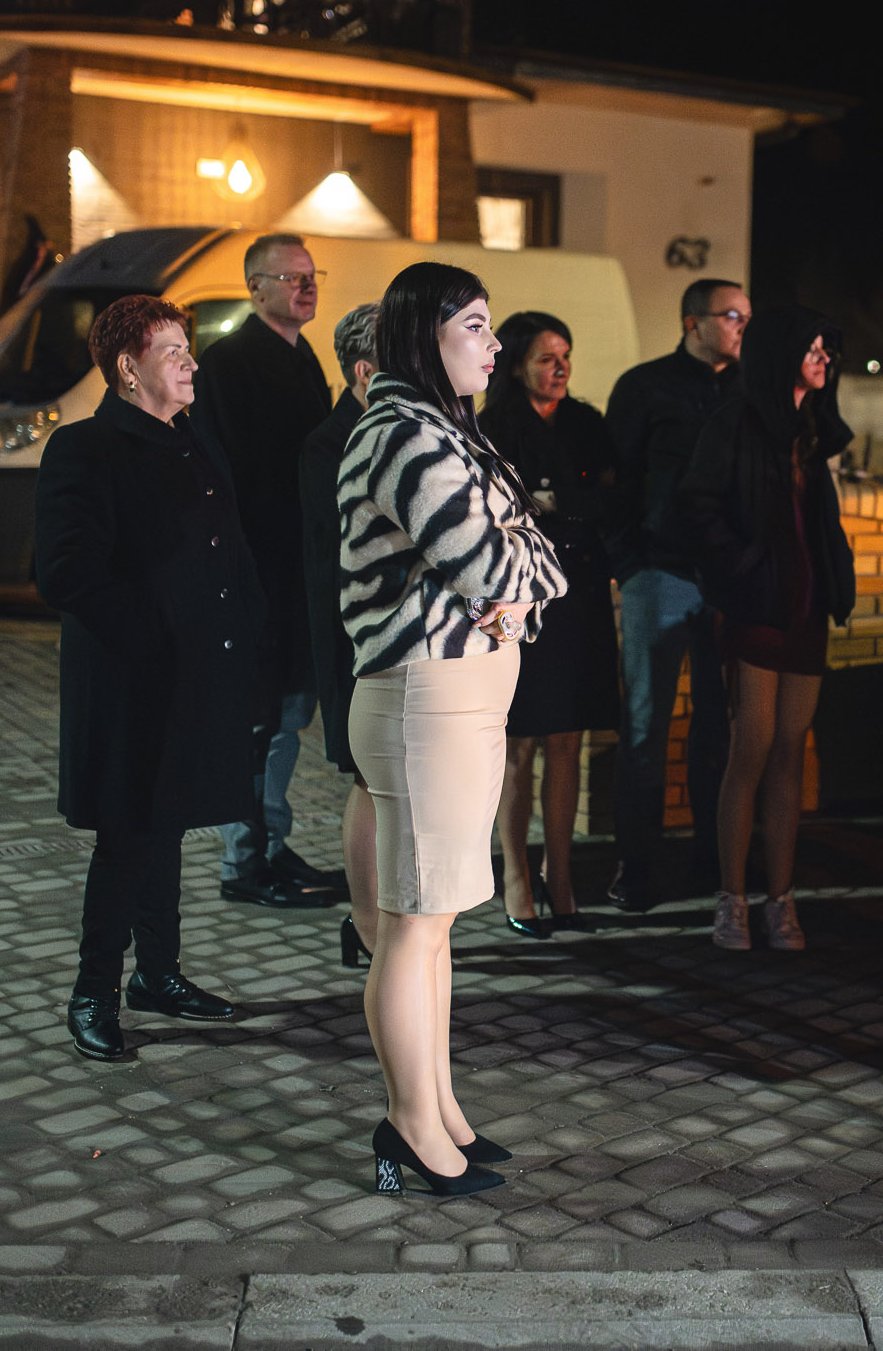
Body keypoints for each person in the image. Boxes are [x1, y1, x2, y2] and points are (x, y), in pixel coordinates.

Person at [337, 261, 565, 1196]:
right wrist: (514, 578)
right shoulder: (404, 433)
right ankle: (408, 1124)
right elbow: (489, 564)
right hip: (425, 700)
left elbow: (536, 548)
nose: (495, 343)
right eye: (475, 325)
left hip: (451, 698)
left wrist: (519, 576)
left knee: (429, 928)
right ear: (423, 336)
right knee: (413, 925)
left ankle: (439, 1113)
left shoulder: (441, 428)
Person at [35, 295, 265, 1062]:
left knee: (167, 826)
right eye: (174, 351)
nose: (192, 363)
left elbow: (229, 549)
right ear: (129, 368)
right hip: (131, 687)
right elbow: (66, 572)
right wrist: (156, 635)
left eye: (188, 349)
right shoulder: (87, 448)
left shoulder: (193, 440)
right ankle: (92, 992)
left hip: (197, 676)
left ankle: (158, 974)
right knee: (128, 836)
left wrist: (245, 630)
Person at [679, 304, 855, 953]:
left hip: (806, 611)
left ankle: (780, 900)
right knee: (749, 748)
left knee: (789, 752)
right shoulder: (738, 420)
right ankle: (732, 900)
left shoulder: (810, 428)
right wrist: (743, 570)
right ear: (783, 353)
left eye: (827, 349)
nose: (824, 358)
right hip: (757, 609)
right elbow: (698, 507)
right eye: (813, 348)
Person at [191, 231, 338, 911]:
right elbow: (225, 481)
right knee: (257, 723)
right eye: (291, 277)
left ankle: (272, 843)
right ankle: (244, 861)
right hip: (257, 574)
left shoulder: (304, 357)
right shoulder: (228, 365)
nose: (306, 287)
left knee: (286, 719)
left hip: (297, 570)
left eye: (311, 276)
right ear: (255, 287)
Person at [601, 278, 747, 913]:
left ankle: (713, 861)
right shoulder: (645, 386)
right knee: (646, 725)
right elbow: (615, 479)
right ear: (693, 321)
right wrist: (630, 563)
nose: (741, 326)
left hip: (728, 580)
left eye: (745, 316)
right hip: (659, 572)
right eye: (731, 315)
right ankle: (635, 864)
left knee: (718, 724)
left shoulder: (749, 388)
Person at [480, 311, 620, 939]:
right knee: (519, 746)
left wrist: (561, 505)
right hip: (523, 599)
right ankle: (517, 879)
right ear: (516, 365)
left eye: (565, 356)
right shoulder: (493, 428)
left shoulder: (587, 424)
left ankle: (560, 879)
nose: (560, 368)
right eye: (545, 358)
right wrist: (561, 507)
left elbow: (606, 500)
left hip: (581, 594)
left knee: (568, 740)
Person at [300, 303, 382, 970]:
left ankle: (386, 920)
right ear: (364, 371)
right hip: (354, 635)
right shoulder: (329, 444)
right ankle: (366, 919)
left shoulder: (392, 429)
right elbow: (338, 550)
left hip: (391, 633)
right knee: (369, 777)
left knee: (390, 781)